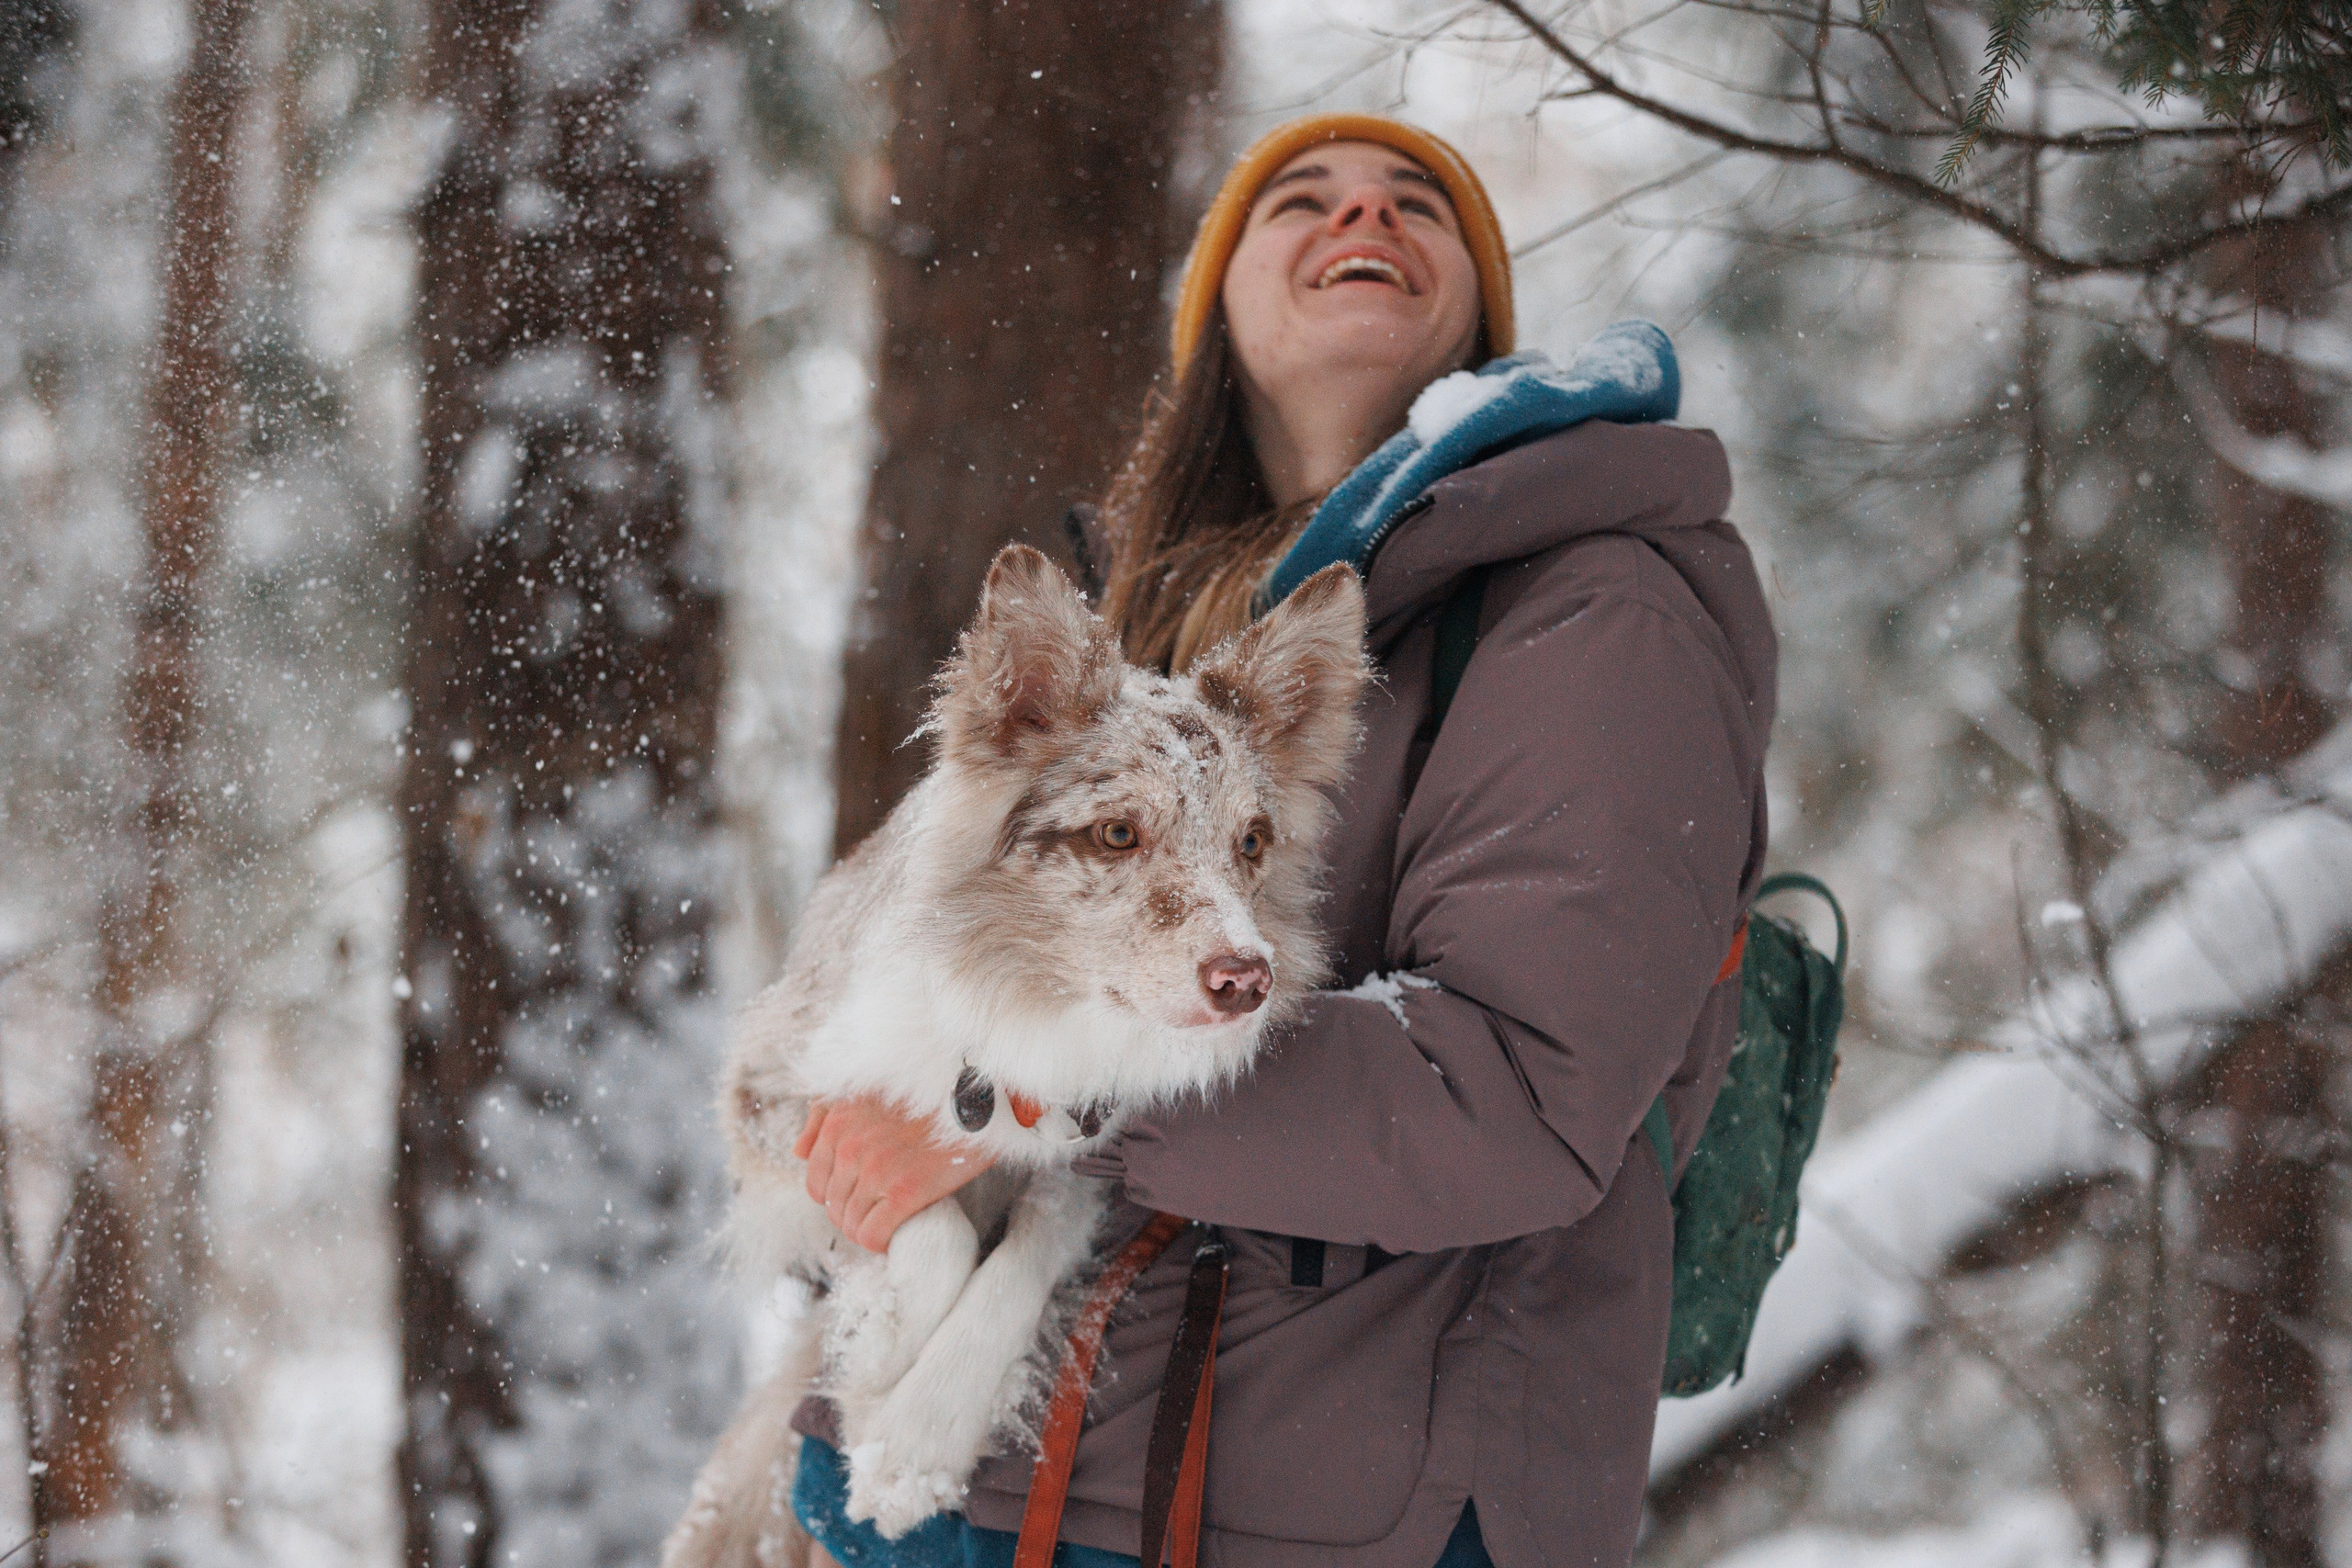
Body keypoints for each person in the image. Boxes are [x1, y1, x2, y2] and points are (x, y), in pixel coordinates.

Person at [788, 113, 1776, 1568]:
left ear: (1480, 323)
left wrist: (1017, 1105)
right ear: (1219, 310)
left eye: (1416, 201)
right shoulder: (1136, 618)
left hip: (1312, 1505)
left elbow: (1518, 1089)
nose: (1360, 214)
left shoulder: (1593, 600)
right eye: (1297, 201)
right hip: (976, 1473)